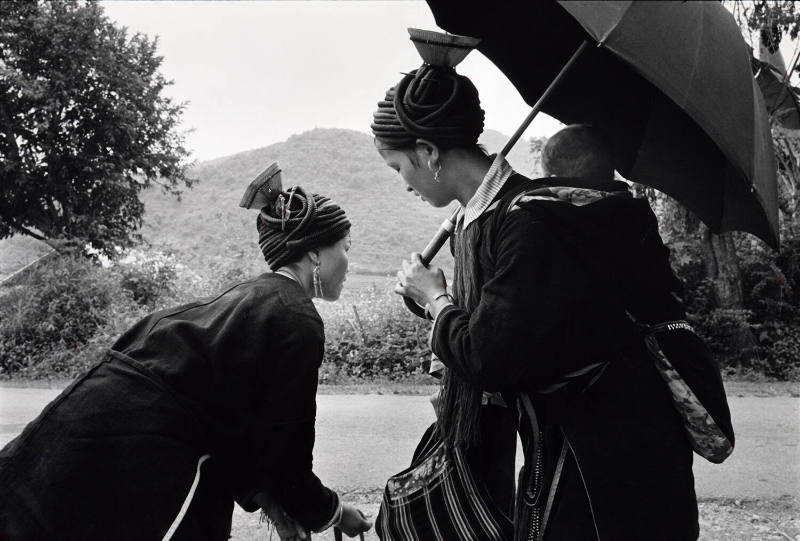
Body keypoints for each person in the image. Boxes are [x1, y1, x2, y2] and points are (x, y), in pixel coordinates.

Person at [373, 55, 726, 539]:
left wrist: (436, 299)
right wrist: (436, 301)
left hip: (605, 458)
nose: (404, 183)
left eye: (398, 168)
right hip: (578, 445)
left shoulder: (529, 223)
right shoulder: (489, 219)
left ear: (429, 152)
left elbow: (488, 356)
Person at [0, 177, 372, 541]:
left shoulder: (245, 298)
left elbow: (235, 428)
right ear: (314, 253)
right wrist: (333, 512)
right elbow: (284, 456)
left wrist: (272, 502)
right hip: (138, 449)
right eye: (346, 246)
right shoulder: (296, 317)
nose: (349, 261)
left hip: (64, 437)